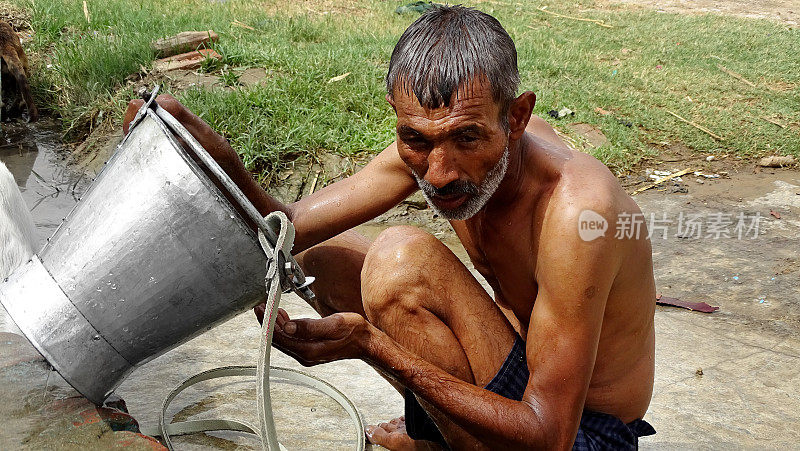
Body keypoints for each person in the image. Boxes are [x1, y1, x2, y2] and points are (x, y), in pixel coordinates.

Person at [124, 5, 656, 449]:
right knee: (322, 258)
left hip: (583, 433)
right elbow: (286, 227)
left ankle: (439, 441)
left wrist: (372, 344)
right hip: (526, 382)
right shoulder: (438, 141)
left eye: (467, 139)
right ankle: (443, 433)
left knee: (401, 262)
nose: (439, 173)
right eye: (416, 140)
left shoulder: (578, 212)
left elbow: (549, 435)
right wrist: (188, 139)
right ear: (400, 119)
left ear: (515, 118)